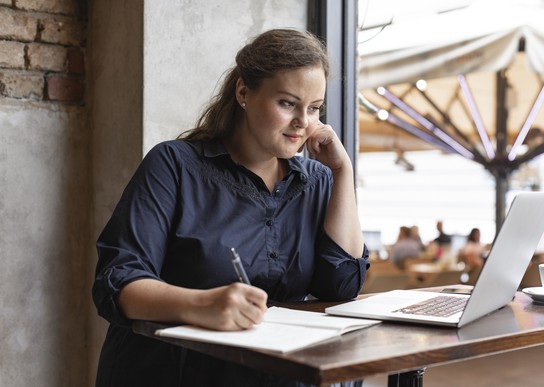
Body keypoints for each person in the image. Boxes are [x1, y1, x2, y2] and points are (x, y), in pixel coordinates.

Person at [92, 28, 368, 387]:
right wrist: (200, 304)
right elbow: (116, 282)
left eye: (314, 108)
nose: (303, 122)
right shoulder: (174, 165)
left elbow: (342, 285)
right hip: (174, 373)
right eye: (287, 103)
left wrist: (342, 172)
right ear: (243, 92)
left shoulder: (316, 180)